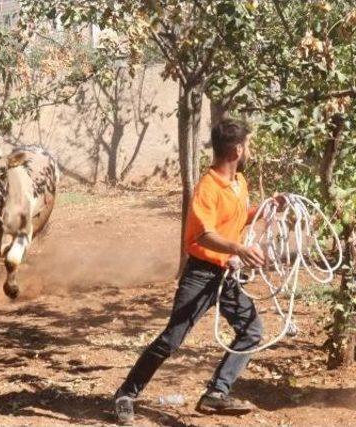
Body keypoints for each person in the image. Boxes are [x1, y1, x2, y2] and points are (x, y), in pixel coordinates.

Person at [114, 118, 284, 425]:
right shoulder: (207, 187)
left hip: (226, 275)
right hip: (202, 274)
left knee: (251, 330)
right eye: (249, 145)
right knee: (171, 340)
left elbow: (234, 217)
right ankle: (126, 393)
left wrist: (264, 208)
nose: (251, 151)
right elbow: (202, 236)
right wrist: (239, 249)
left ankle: (216, 394)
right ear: (237, 149)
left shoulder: (238, 183)